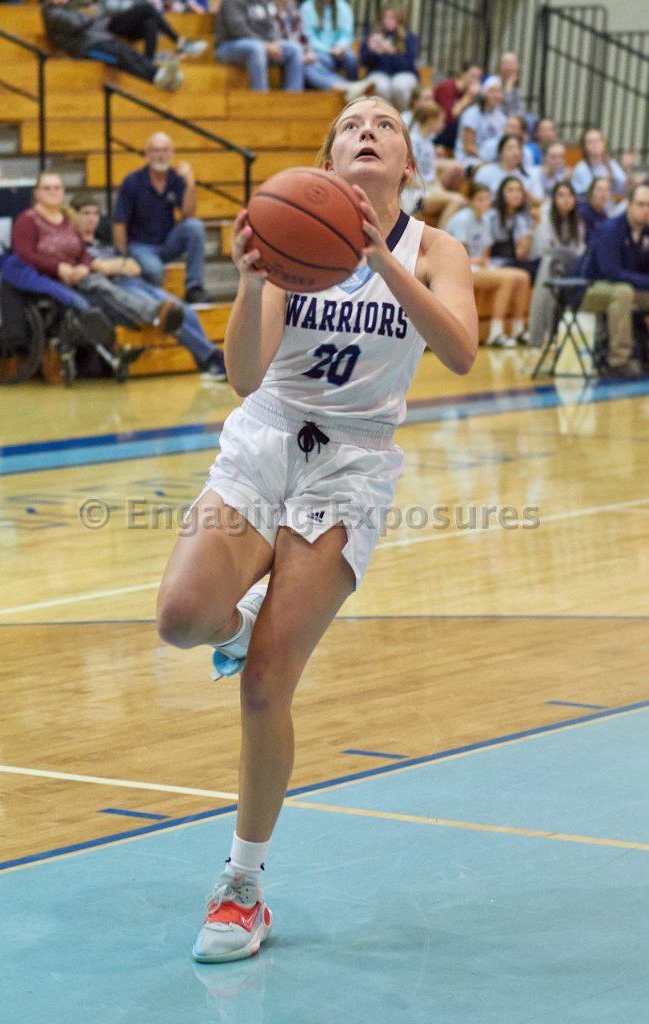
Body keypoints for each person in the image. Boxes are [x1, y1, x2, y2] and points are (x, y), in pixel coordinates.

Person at [156, 94, 478, 963]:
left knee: (267, 684)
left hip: (352, 461)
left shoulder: (434, 249)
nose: (367, 131)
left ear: (408, 163)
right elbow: (241, 376)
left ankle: (241, 887)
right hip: (266, 435)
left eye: (385, 125)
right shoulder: (284, 234)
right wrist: (251, 279)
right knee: (181, 618)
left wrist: (377, 259)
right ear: (328, 161)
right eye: (350, 126)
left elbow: (459, 351)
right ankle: (236, 624)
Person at [0, 171, 182, 334]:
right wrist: (58, 268)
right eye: (47, 188)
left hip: (76, 274)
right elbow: (25, 254)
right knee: (101, 287)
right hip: (46, 278)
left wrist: (84, 267)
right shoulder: (27, 220)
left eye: (57, 188)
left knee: (104, 285)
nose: (53, 192)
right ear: (37, 193)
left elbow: (82, 252)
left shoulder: (69, 219)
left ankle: (148, 319)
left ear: (63, 192)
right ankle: (151, 315)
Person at [71, 192, 227, 380]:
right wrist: (117, 265)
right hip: (116, 289)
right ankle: (213, 359)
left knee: (184, 310)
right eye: (86, 213)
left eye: (95, 213)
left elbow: (135, 267)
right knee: (168, 317)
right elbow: (100, 267)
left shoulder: (104, 241)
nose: (91, 218)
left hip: (133, 281)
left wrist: (113, 266)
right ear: (74, 216)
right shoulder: (75, 245)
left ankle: (207, 362)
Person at [112, 132, 210, 305]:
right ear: (147, 154)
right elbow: (119, 223)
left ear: (171, 153)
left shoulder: (175, 178)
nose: (161, 155)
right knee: (155, 270)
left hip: (166, 243)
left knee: (195, 226)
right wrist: (122, 258)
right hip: (140, 246)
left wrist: (190, 184)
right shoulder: (132, 181)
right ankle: (156, 305)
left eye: (165, 150)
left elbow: (188, 216)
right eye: (156, 150)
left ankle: (194, 288)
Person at [577, 181, 649, 380]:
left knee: (626, 290)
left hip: (628, 288)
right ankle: (618, 361)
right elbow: (612, 273)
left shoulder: (645, 232)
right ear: (629, 205)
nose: (646, 210)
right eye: (641, 204)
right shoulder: (611, 230)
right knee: (622, 292)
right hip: (588, 288)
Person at [446, 181, 530, 348]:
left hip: (475, 266)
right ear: (471, 201)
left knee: (523, 277)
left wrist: (483, 263)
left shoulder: (484, 220)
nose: (485, 203)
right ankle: (495, 333)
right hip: (455, 269)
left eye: (487, 199)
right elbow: (457, 256)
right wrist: (477, 261)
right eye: (480, 199)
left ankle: (518, 330)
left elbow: (485, 253)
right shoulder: (463, 219)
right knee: (506, 279)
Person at [41, 0, 184, 90]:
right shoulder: (50, 13)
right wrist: (93, 19)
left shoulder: (67, 9)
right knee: (119, 58)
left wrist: (93, 19)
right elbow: (78, 23)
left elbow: (87, 20)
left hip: (99, 41)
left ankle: (160, 73)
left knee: (128, 51)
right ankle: (153, 78)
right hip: (86, 50)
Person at [528, 181, 586, 349]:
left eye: (570, 195)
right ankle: (541, 334)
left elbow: (580, 249)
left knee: (581, 267)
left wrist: (569, 254)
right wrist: (567, 253)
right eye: (561, 195)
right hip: (545, 263)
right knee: (550, 264)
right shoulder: (546, 219)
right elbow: (546, 248)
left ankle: (570, 333)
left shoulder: (578, 222)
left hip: (570, 265)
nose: (566, 199)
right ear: (554, 199)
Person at [275, 0, 372, 100]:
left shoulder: (343, 7)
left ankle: (355, 94)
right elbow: (309, 36)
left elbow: (346, 34)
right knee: (310, 69)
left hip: (340, 51)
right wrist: (329, 50)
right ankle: (349, 87)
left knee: (351, 58)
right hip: (319, 52)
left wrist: (341, 46)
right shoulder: (307, 7)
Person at [214, 0, 304, 92]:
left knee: (295, 49)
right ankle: (260, 96)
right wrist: (265, 44)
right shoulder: (231, 2)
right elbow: (237, 29)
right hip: (228, 45)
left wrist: (273, 42)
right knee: (257, 49)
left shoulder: (264, 1)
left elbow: (270, 26)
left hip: (261, 44)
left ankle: (293, 96)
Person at [402, 100, 466, 228]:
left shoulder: (429, 144)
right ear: (431, 120)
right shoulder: (413, 141)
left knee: (461, 201)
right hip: (413, 195)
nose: (444, 125)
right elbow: (405, 176)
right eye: (441, 120)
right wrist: (429, 188)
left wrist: (439, 189)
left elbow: (432, 175)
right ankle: (441, 237)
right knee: (458, 200)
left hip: (426, 190)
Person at [97, 0, 208, 60]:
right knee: (148, 8)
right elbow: (111, 8)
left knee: (151, 22)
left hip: (130, 24)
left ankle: (148, 61)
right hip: (110, 25)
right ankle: (180, 42)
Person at [359, 6, 419, 112]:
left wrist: (391, 52)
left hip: (404, 73)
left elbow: (408, 64)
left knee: (400, 85)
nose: (387, 21)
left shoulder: (409, 37)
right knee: (381, 86)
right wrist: (371, 51)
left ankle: (403, 117)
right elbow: (364, 62)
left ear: (400, 20)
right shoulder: (373, 35)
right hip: (379, 72)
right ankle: (385, 116)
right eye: (385, 17)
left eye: (392, 18)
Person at [486, 174, 538, 283]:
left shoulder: (520, 219)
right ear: (501, 194)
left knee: (539, 265)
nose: (516, 194)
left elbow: (521, 255)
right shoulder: (491, 216)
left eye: (519, 191)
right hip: (493, 263)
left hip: (511, 262)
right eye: (510, 190)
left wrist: (532, 227)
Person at [474, 134, 543, 206]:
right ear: (500, 152)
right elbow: (475, 198)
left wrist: (527, 196)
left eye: (518, 148)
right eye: (510, 148)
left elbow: (540, 200)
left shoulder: (530, 174)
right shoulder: (485, 172)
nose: (515, 152)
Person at [454, 75, 506, 169]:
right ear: (484, 94)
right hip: (469, 159)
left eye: (499, 91)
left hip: (491, 160)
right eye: (492, 91)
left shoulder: (501, 117)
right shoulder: (472, 114)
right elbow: (468, 147)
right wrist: (487, 158)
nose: (497, 95)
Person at [570, 127, 634, 202]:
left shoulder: (611, 163)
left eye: (598, 141)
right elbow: (591, 196)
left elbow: (625, 189)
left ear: (604, 143)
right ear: (584, 147)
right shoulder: (581, 167)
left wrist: (627, 168)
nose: (595, 145)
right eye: (590, 142)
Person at [432, 61, 483, 151]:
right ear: (463, 74)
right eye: (473, 76)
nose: (475, 81)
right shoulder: (447, 86)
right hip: (437, 130)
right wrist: (469, 95)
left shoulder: (469, 93)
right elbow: (451, 116)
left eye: (478, 78)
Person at [577, 175, 611, 243]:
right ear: (591, 192)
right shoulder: (582, 212)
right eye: (600, 190)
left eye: (606, 190)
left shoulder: (604, 214)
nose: (603, 194)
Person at [497, 51, 527, 118]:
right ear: (499, 67)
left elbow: (521, 113)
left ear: (517, 67)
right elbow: (500, 111)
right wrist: (508, 90)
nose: (508, 67)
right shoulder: (493, 84)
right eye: (505, 63)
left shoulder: (517, 89)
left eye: (511, 64)